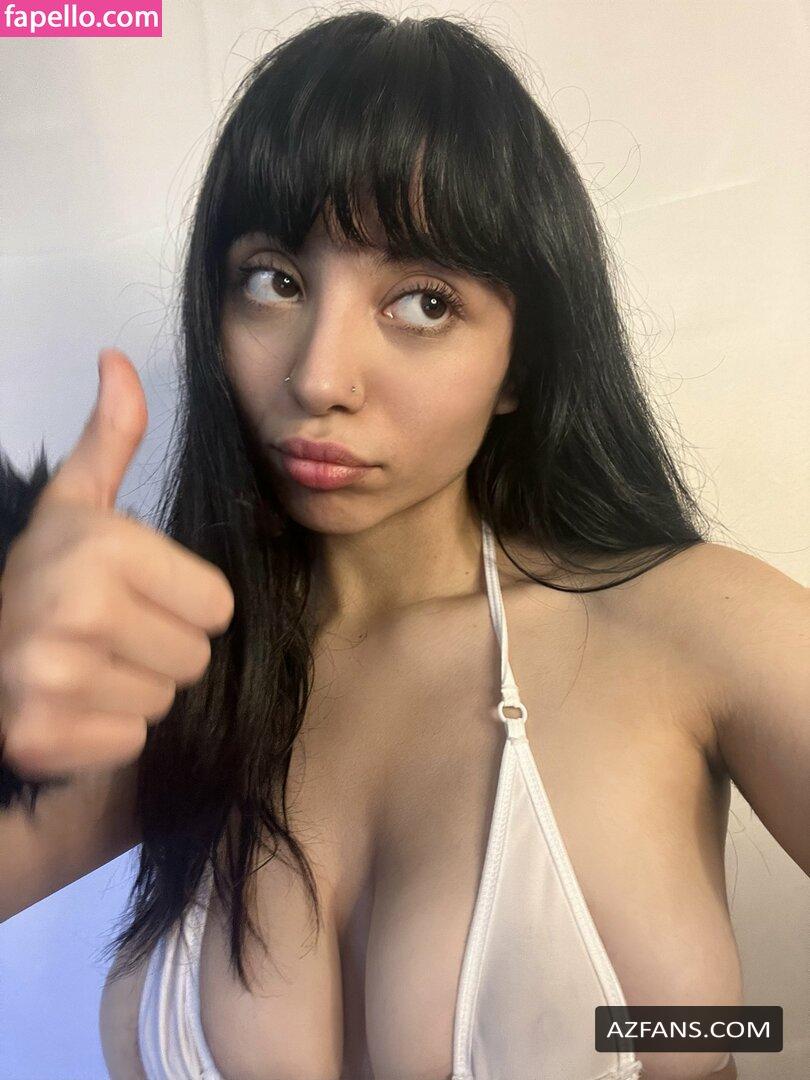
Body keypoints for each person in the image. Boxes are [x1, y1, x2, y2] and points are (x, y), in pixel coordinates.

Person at [1, 10, 806, 1080]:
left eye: (423, 302)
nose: (319, 377)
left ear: (521, 363)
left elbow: (741, 1030)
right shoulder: (170, 681)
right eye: (275, 280)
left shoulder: (688, 628)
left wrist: (718, 1031)